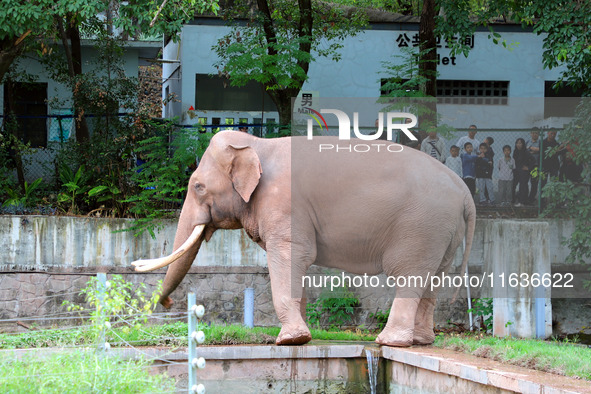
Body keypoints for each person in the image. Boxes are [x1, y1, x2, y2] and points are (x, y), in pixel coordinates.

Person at [513, 137, 536, 207]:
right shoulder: (515, 151)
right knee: (513, 185)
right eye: (517, 143)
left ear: (523, 144)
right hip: (516, 171)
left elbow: (533, 160)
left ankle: (522, 202)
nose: (518, 145)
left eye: (520, 143)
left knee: (523, 186)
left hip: (524, 172)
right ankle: (514, 200)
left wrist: (528, 167)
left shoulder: (526, 152)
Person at [526, 127, 541, 204]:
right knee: (525, 182)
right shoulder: (527, 142)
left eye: (536, 133)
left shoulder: (540, 142)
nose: (534, 134)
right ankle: (525, 198)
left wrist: (530, 148)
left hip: (536, 166)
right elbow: (525, 151)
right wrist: (534, 151)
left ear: (538, 134)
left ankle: (531, 199)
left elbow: (540, 150)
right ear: (530, 133)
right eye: (533, 133)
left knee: (534, 183)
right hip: (528, 165)